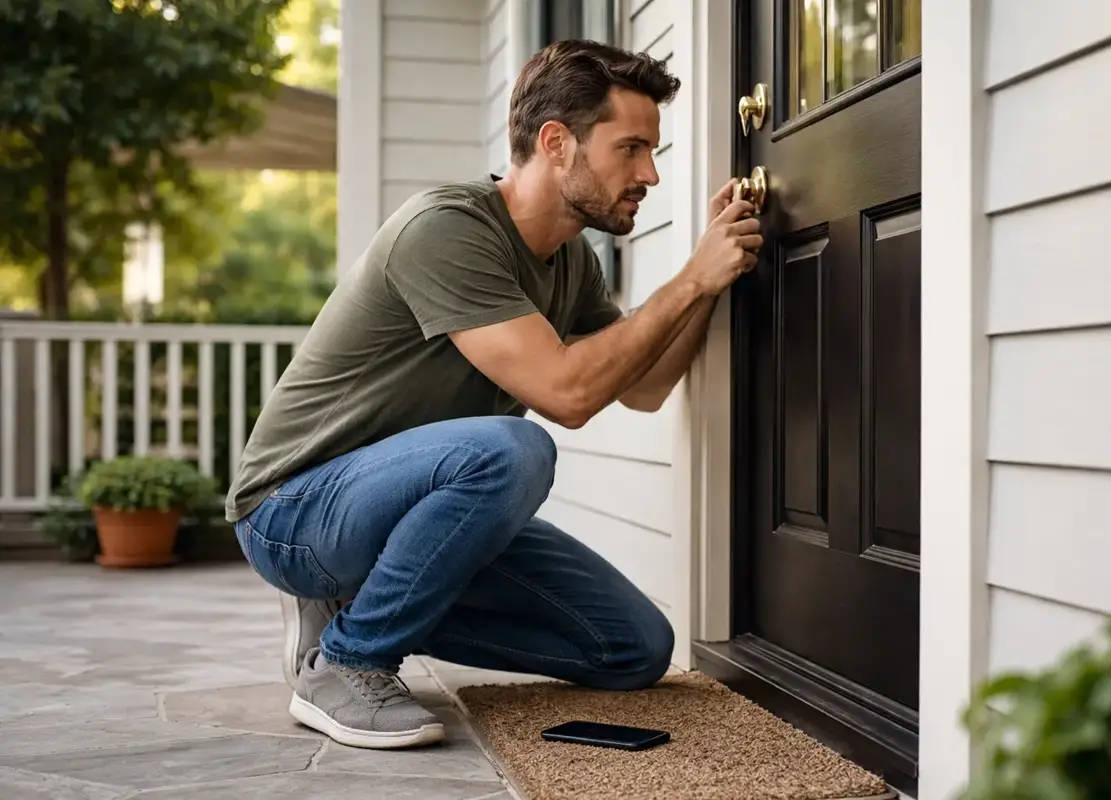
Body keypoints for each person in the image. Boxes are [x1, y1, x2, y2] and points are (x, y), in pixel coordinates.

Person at [225, 39, 762, 751]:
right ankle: (349, 661)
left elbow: (645, 387)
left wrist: (710, 282)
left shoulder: (570, 262)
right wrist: (689, 279)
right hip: (293, 511)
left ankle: (360, 601)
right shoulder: (446, 229)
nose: (650, 174)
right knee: (515, 448)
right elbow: (566, 394)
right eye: (631, 148)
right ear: (556, 143)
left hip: (410, 510)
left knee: (634, 647)